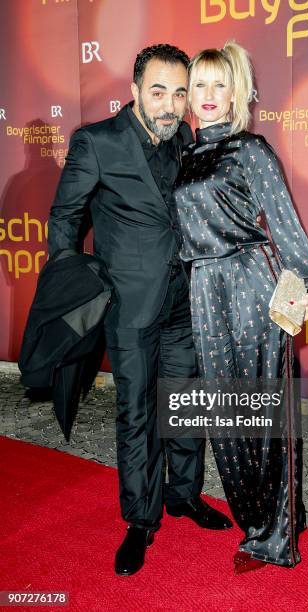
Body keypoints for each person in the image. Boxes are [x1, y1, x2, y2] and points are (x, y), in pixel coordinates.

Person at [47, 44, 232, 577]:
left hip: (183, 302)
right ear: (134, 92)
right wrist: (77, 286)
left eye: (180, 92)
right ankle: (140, 519)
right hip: (128, 307)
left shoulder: (185, 143)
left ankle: (183, 495)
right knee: (137, 413)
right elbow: (65, 219)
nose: (171, 104)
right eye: (159, 92)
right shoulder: (98, 142)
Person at [174, 41, 308, 571]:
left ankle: (275, 537)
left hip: (252, 289)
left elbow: (285, 229)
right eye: (200, 85)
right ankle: (262, 516)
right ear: (188, 96)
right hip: (206, 293)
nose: (209, 95)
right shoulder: (188, 154)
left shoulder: (251, 149)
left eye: (220, 84)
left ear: (237, 91)